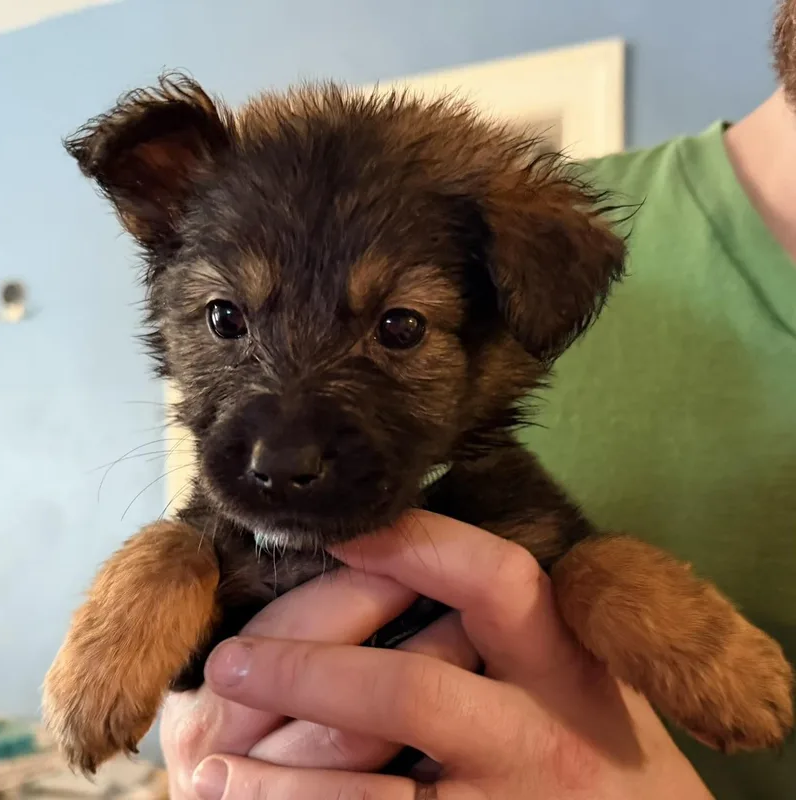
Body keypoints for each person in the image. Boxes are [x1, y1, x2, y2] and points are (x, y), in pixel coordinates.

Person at [160, 2, 796, 797]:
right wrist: (200, 767)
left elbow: (564, 558)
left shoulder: (519, 239)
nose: (282, 444)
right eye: (228, 320)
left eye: (398, 329)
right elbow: (187, 696)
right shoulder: (209, 540)